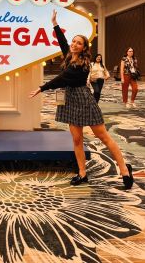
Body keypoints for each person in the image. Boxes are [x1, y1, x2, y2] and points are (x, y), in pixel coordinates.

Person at [29, 10, 134, 189]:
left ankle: (124, 169)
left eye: (79, 43)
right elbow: (62, 42)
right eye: (74, 41)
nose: (74, 45)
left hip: (83, 100)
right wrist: (55, 23)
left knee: (103, 136)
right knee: (77, 139)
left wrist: (42, 88)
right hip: (70, 100)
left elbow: (63, 78)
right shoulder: (69, 56)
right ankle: (82, 173)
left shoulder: (83, 64)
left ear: (84, 47)